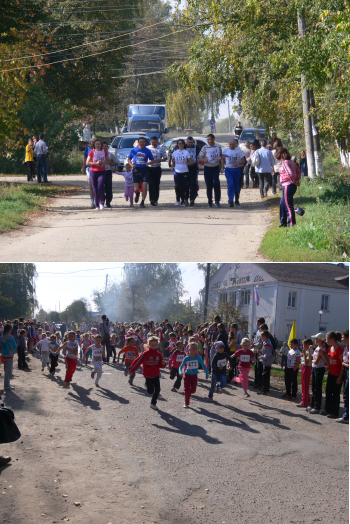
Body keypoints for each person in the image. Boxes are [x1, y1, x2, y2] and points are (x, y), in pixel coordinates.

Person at [128, 336, 166, 409]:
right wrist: (131, 369)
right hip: (148, 375)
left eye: (155, 344)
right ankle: (147, 384)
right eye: (152, 344)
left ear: (157, 345)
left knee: (158, 390)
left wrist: (163, 363)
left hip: (156, 374)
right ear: (149, 345)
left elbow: (161, 365)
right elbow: (137, 361)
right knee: (150, 391)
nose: (154, 346)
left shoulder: (159, 354)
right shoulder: (145, 353)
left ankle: (153, 403)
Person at [275, 147, 302, 227]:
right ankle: (283, 222)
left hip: (288, 185)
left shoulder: (285, 163)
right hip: (290, 185)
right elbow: (299, 171)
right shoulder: (291, 162)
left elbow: (290, 174)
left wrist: (294, 180)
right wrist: (297, 180)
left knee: (288, 205)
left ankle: (291, 223)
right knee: (282, 204)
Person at [127, 136, 155, 208]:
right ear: (138, 142)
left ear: (145, 143)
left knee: (145, 186)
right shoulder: (134, 150)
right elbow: (129, 159)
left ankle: (142, 202)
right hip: (136, 170)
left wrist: (148, 163)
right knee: (136, 189)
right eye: (140, 142)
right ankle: (137, 194)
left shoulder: (147, 150)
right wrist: (131, 165)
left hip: (145, 170)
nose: (142, 143)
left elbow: (153, 160)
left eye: (143, 142)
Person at [179, 342, 209, 408]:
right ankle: (186, 402)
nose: (195, 349)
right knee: (187, 389)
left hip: (194, 376)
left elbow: (204, 365)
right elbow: (181, 366)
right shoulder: (186, 358)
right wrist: (180, 372)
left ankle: (187, 394)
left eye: (196, 348)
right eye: (193, 348)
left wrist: (206, 373)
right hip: (187, 375)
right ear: (189, 349)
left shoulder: (198, 358)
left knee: (193, 390)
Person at [322, 331, 344, 418]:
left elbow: (343, 364)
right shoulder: (329, 348)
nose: (326, 340)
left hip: (338, 375)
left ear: (332, 339)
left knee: (335, 394)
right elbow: (328, 361)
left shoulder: (340, 349)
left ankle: (335, 412)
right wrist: (322, 355)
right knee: (328, 392)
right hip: (331, 374)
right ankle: (327, 410)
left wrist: (340, 377)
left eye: (327, 339)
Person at [197, 134, 222, 207]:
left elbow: (221, 156)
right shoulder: (205, 147)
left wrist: (220, 159)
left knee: (217, 183)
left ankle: (217, 201)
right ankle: (210, 201)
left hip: (216, 167)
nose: (208, 141)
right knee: (209, 185)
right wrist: (204, 160)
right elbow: (199, 158)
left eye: (209, 139)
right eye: (207, 140)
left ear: (213, 139)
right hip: (208, 168)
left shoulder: (218, 146)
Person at [221, 138, 246, 207]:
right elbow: (223, 159)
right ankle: (231, 200)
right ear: (229, 144)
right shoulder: (225, 150)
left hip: (236, 170)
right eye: (230, 144)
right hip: (228, 170)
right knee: (230, 185)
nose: (231, 146)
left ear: (235, 144)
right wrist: (222, 167)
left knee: (236, 186)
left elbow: (243, 161)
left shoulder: (238, 151)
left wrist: (238, 163)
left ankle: (236, 198)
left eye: (233, 144)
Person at [86, 138, 109, 210]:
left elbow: (109, 161)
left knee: (100, 187)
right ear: (94, 145)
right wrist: (96, 163)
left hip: (102, 171)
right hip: (93, 172)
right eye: (96, 144)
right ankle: (97, 205)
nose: (98, 145)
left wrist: (103, 164)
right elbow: (87, 163)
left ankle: (101, 203)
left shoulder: (104, 151)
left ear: (101, 145)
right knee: (95, 189)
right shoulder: (91, 152)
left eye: (99, 144)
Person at [308, 333, 327, 414]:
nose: (314, 340)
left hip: (319, 369)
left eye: (315, 339)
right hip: (315, 368)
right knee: (313, 388)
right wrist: (309, 350)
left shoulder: (322, 348)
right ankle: (313, 405)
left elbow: (315, 361)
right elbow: (311, 358)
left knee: (317, 388)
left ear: (319, 340)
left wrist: (311, 360)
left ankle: (317, 406)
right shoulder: (317, 348)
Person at [171, 139, 193, 206]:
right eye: (179, 143)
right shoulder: (175, 152)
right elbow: (172, 160)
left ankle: (183, 201)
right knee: (177, 186)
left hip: (185, 172)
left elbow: (191, 162)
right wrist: (172, 167)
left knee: (184, 187)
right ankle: (178, 200)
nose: (181, 145)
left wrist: (188, 163)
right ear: (177, 144)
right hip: (177, 172)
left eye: (182, 143)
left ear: (184, 144)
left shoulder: (186, 152)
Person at [147, 136, 167, 206]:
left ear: (157, 142)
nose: (154, 144)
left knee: (156, 184)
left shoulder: (161, 149)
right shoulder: (147, 148)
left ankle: (156, 199)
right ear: (150, 142)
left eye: (155, 142)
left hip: (157, 168)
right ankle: (152, 199)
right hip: (149, 168)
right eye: (152, 142)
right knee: (151, 184)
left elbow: (165, 157)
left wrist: (160, 160)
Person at [336, 330, 349, 423]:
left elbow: (345, 363)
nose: (342, 339)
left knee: (347, 395)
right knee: (346, 395)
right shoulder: (346, 348)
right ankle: (346, 415)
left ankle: (347, 417)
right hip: (346, 373)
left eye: (343, 337)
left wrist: (345, 365)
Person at [296, 338, 313, 408]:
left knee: (305, 385)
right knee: (303, 384)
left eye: (303, 345)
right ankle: (307, 399)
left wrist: (304, 354)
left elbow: (307, 362)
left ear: (308, 345)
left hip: (307, 368)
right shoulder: (306, 351)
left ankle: (305, 401)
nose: (302, 347)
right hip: (304, 367)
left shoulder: (310, 351)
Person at [0, 323, 17, 390]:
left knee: (6, 370)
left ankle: (7, 384)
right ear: (10, 329)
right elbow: (14, 347)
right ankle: (7, 384)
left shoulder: (2, 336)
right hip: (9, 354)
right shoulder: (11, 337)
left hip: (3, 354)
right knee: (9, 371)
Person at [186, 136, 201, 205]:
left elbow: (199, 155)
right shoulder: (184, 147)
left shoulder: (196, 147)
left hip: (194, 167)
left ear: (193, 142)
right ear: (187, 142)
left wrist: (200, 162)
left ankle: (192, 198)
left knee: (193, 183)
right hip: (185, 167)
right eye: (189, 142)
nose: (190, 143)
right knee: (186, 183)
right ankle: (185, 198)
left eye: (191, 142)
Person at [258, 331, 274, 395]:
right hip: (267, 362)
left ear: (265, 336)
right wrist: (261, 351)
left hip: (267, 362)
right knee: (266, 376)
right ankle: (265, 389)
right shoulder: (266, 342)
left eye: (262, 336)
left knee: (265, 377)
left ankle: (264, 390)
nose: (261, 337)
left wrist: (261, 357)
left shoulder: (267, 344)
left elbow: (267, 355)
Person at [81, 139, 95, 208]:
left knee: (97, 186)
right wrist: (83, 167)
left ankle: (98, 200)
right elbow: (84, 158)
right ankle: (92, 202)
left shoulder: (99, 149)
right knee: (91, 185)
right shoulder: (87, 149)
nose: (92, 143)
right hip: (89, 169)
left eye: (94, 142)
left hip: (97, 169)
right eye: (91, 142)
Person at [102, 141, 116, 208]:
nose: (104, 147)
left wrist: (111, 164)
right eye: (103, 146)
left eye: (106, 146)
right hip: (100, 172)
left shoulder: (110, 155)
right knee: (100, 188)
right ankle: (101, 201)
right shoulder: (98, 154)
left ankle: (108, 202)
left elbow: (117, 162)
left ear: (108, 147)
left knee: (108, 188)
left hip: (108, 172)